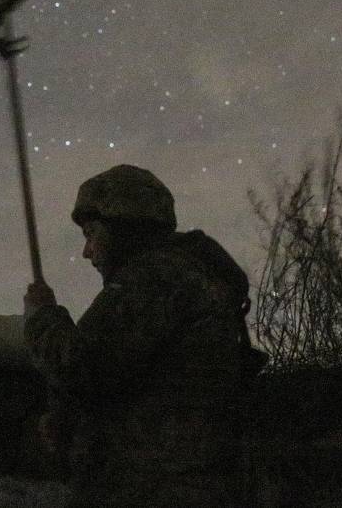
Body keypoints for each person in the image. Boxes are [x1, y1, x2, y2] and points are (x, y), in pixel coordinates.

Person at [24, 164, 262, 508]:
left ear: (122, 229)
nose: (86, 252)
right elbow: (132, 382)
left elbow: (80, 364)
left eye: (92, 234)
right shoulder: (189, 277)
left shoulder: (155, 279)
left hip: (159, 490)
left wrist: (42, 314)